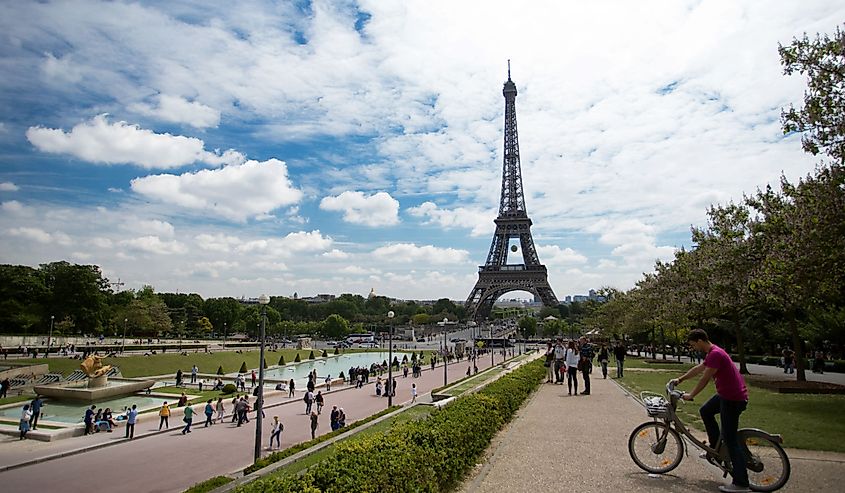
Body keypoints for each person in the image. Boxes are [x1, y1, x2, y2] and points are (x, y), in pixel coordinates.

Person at [672, 329, 750, 493]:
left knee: (730, 438)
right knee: (705, 411)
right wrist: (680, 379)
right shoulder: (713, 353)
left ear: (700, 340)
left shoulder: (715, 354)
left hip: (732, 399)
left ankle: (741, 483)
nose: (693, 348)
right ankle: (715, 450)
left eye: (694, 345)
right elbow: (699, 369)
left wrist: (691, 394)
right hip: (726, 395)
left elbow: (705, 377)